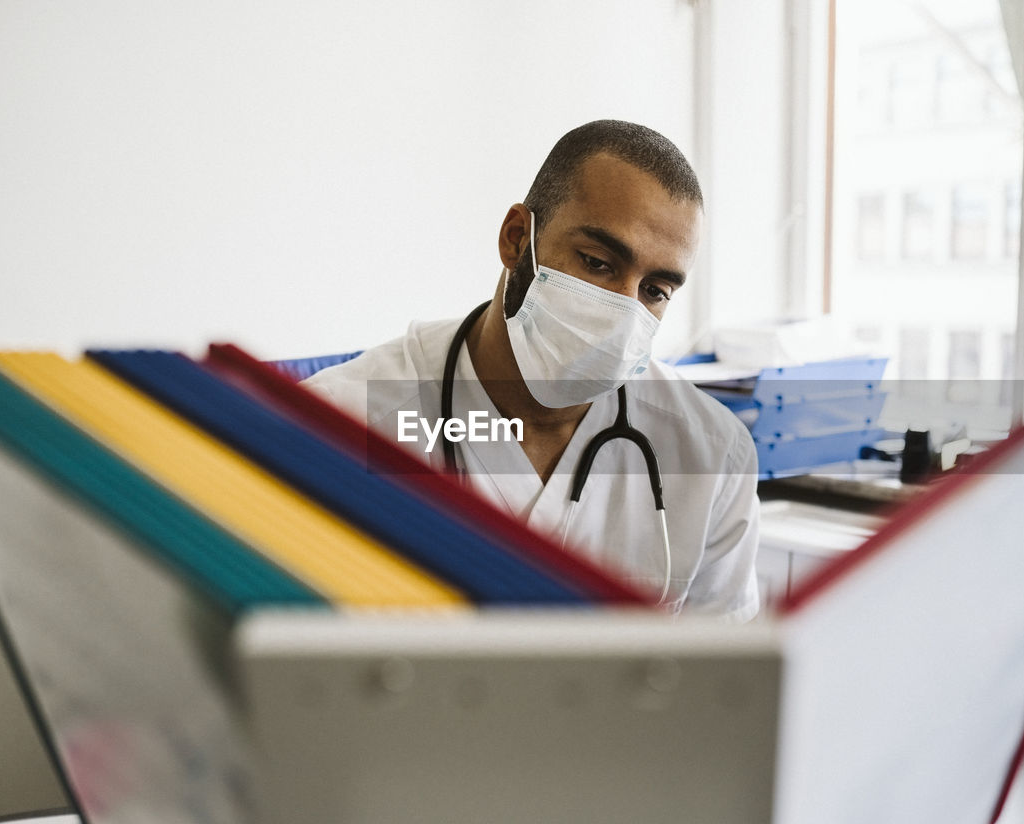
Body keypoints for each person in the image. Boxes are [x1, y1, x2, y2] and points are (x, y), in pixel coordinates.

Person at [305, 119, 760, 620]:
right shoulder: (339, 426)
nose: (623, 313)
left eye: (654, 291)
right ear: (517, 238)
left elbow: (720, 681)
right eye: (597, 262)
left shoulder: (713, 454)